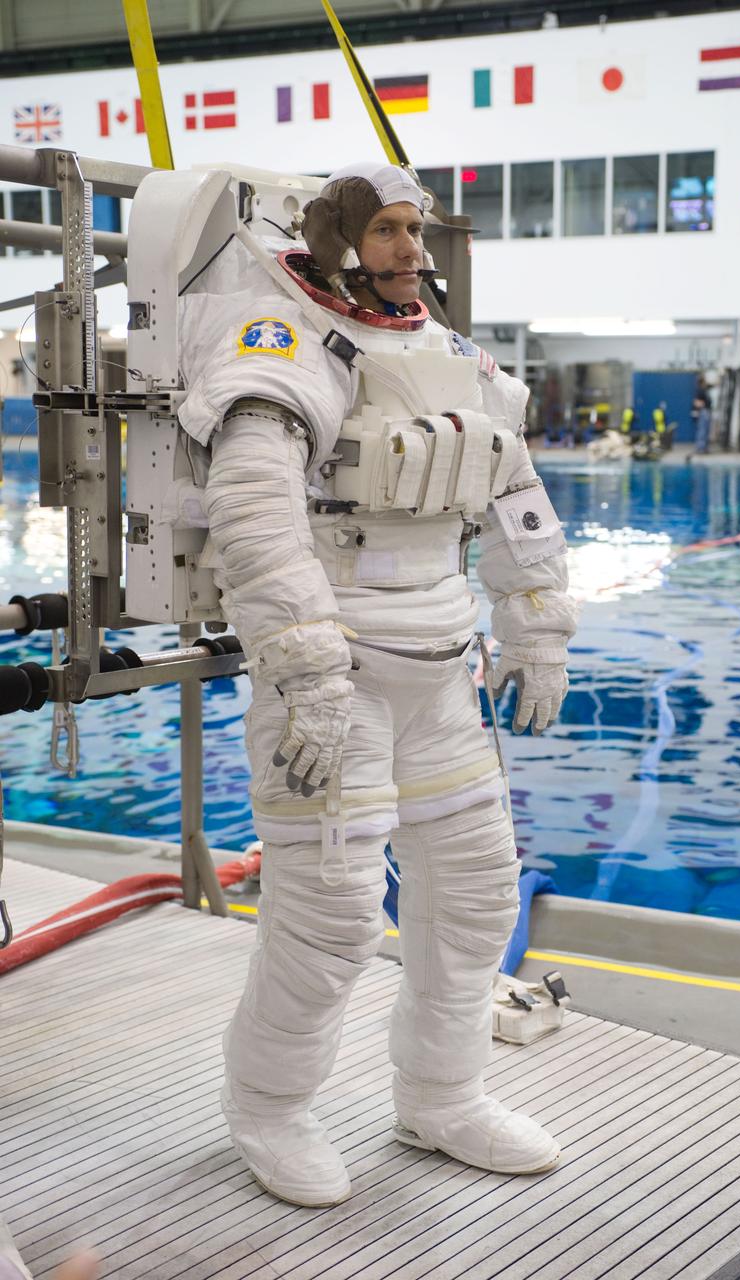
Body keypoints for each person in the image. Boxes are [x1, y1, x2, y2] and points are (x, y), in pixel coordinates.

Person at [176, 161, 578, 1208]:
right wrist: (303, 665)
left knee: (476, 890)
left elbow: (514, 492)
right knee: (334, 911)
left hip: (442, 667)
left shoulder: (452, 357)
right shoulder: (284, 348)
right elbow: (255, 514)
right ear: (337, 239)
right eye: (390, 231)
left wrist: (537, 626)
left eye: (417, 231)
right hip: (335, 673)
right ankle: (267, 1106)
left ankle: (441, 1092)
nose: (412, 251)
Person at [693, 376, 712, 454]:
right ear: (702, 382)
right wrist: (703, 405)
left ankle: (704, 448)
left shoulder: (704, 390)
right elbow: (696, 402)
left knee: (706, 430)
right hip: (703, 412)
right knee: (702, 430)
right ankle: (700, 448)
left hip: (706, 411)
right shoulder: (700, 391)